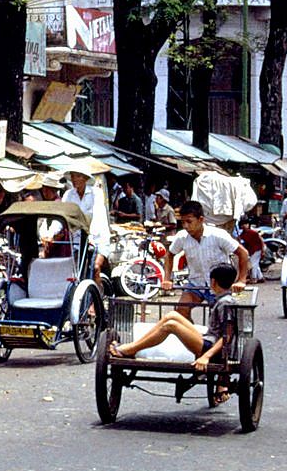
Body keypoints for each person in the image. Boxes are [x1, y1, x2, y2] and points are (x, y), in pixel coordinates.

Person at [109, 264, 240, 391]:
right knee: (172, 315)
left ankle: (131, 349)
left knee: (171, 326)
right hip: (209, 339)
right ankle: (132, 347)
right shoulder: (221, 299)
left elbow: (227, 337)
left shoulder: (225, 303)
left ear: (213, 282)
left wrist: (206, 356)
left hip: (213, 349)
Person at [163, 200, 249, 312]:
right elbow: (169, 255)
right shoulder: (182, 237)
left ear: (201, 220)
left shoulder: (218, 235)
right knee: (181, 310)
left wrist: (241, 280)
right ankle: (190, 330)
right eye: (183, 223)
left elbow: (243, 253)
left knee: (219, 317)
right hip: (196, 284)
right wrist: (167, 279)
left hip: (219, 285)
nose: (185, 226)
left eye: (189, 222)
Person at [62, 164, 109, 280]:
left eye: (78, 176)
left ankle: (99, 296)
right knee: (77, 272)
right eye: (73, 176)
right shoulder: (68, 195)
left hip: (98, 238)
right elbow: (62, 213)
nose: (74, 179)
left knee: (95, 267)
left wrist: (91, 234)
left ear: (85, 178)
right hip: (78, 239)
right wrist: (49, 234)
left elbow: (98, 214)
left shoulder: (95, 193)